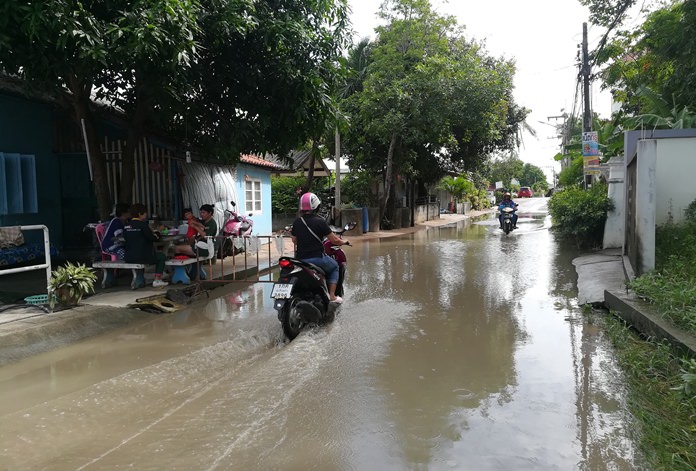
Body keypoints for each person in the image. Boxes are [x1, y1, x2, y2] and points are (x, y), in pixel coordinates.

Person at [291, 192, 348, 304]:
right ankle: (332, 296)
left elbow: (294, 240)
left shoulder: (297, 222)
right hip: (317, 258)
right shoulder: (320, 221)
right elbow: (334, 240)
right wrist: (344, 242)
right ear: (316, 206)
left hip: (300, 260)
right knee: (335, 267)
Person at [123, 203, 168, 288]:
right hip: (143, 256)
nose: (146, 215)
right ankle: (157, 279)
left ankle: (140, 279)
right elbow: (153, 238)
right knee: (161, 256)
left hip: (128, 257)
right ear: (140, 214)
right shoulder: (143, 225)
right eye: (145, 213)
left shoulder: (126, 226)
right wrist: (158, 232)